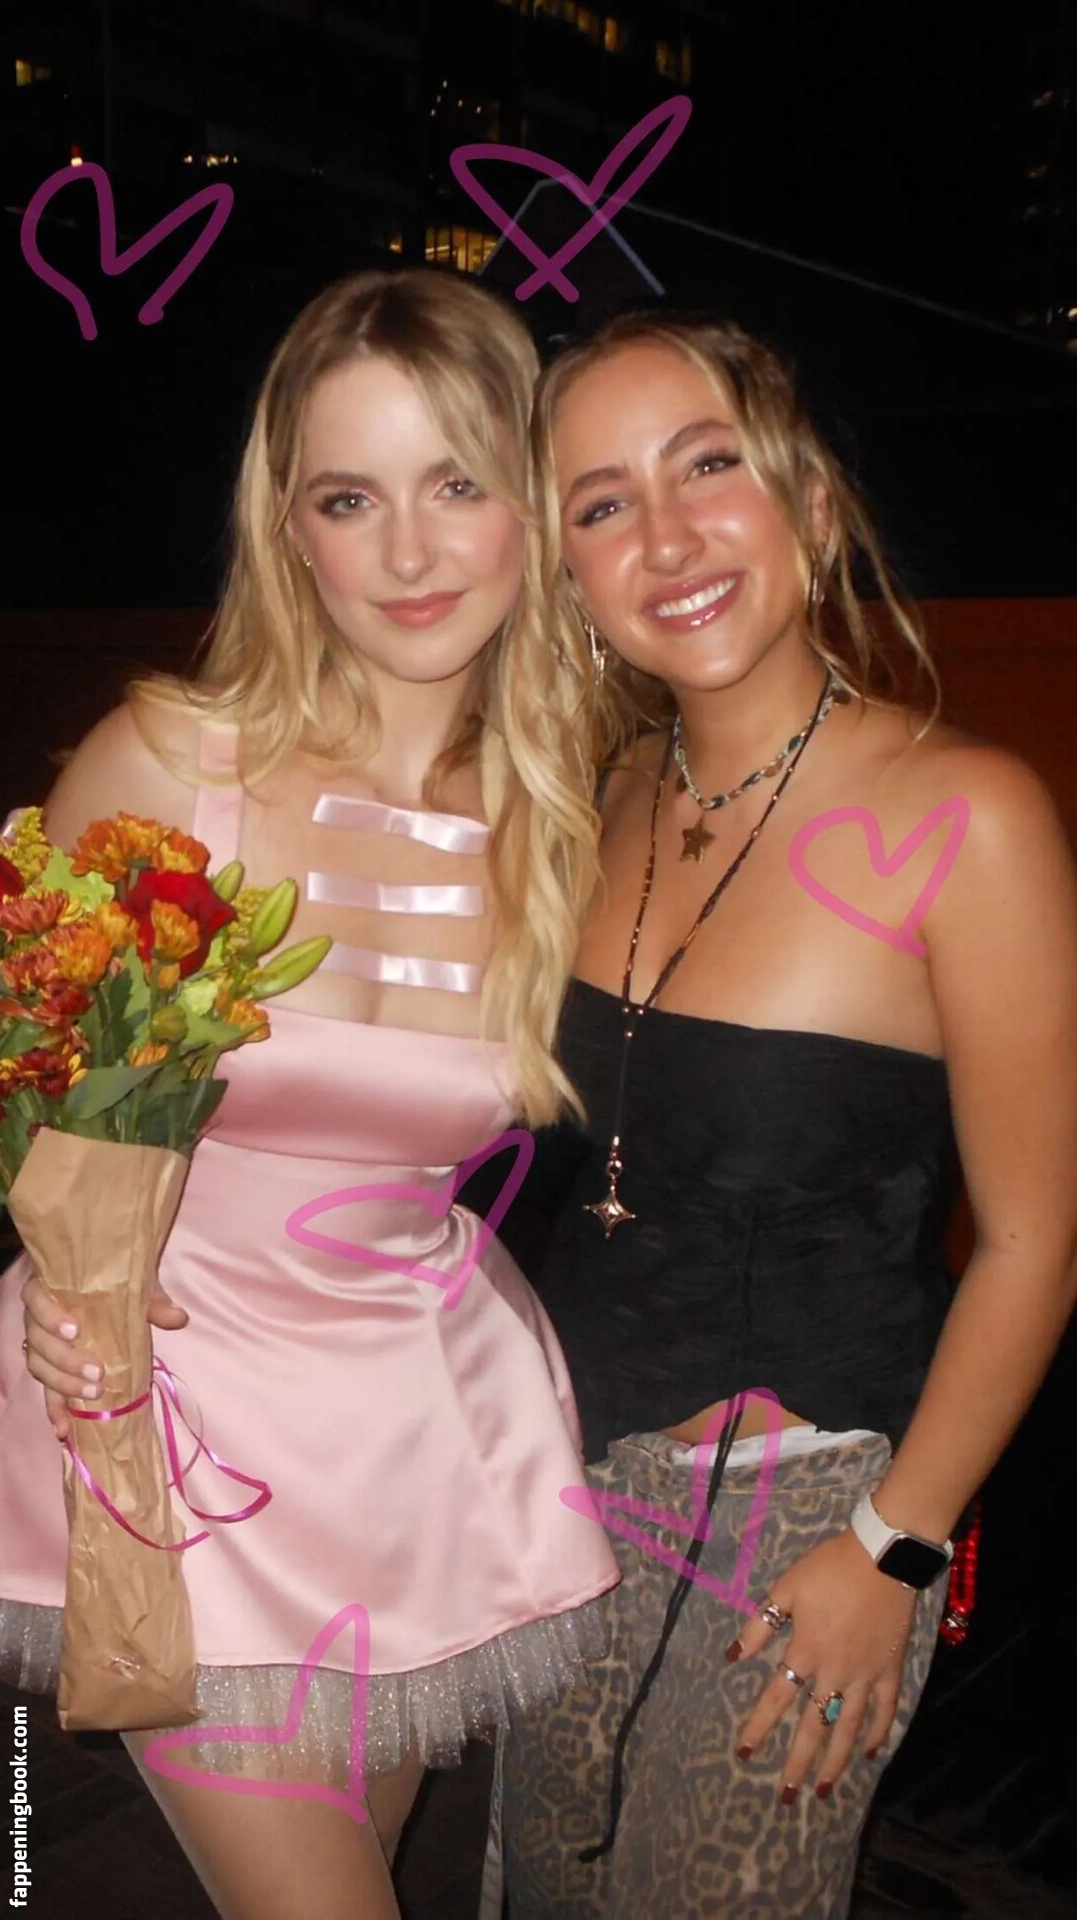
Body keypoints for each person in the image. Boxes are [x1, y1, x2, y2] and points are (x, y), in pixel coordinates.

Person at [0, 268, 619, 1920]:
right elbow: (29, 1074)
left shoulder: (572, 818)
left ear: (535, 504)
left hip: (413, 1442)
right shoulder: (167, 763)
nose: (408, 553)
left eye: (456, 484)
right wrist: (63, 1275)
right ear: (290, 528)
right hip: (169, 1429)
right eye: (351, 499)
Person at [497, 314, 1077, 1918]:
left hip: (811, 1513)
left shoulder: (966, 815)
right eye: (601, 502)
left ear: (809, 504)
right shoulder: (595, 797)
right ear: (565, 572)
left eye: (707, 466)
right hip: (558, 1483)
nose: (665, 535)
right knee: (539, 1884)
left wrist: (897, 1547)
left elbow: (1033, 1241)